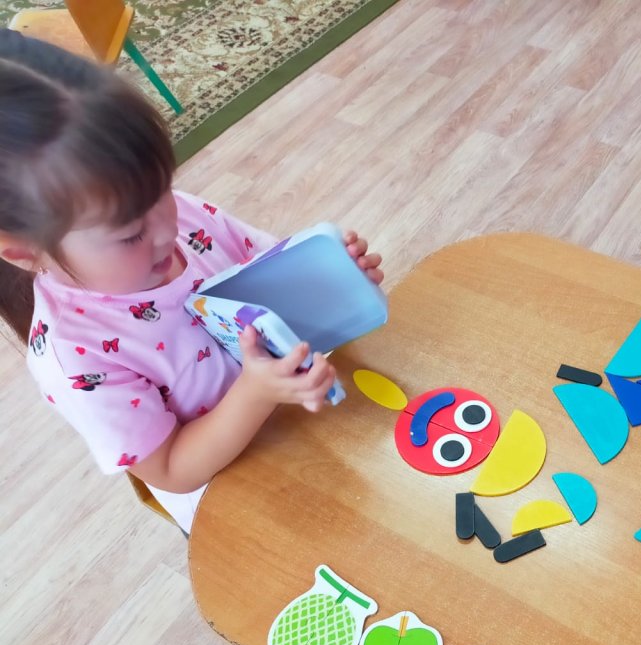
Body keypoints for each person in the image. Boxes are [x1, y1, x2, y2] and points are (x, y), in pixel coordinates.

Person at [0, 31, 383, 530]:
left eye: (164, 190)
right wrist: (257, 392)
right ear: (24, 252)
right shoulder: (74, 355)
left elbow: (266, 277)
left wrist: (329, 278)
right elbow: (172, 471)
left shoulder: (179, 217)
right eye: (131, 234)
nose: (167, 230)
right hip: (238, 502)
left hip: (317, 426)